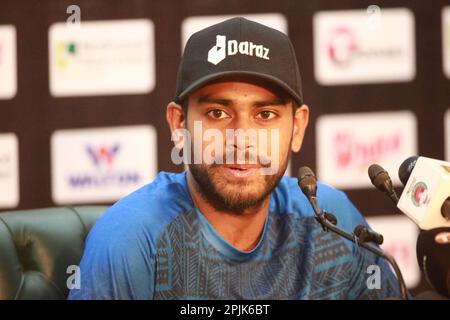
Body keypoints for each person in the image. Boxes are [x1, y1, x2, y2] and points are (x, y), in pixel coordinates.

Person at [69, 17, 402, 300]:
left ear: (297, 127)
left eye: (266, 114)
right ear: (178, 124)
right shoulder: (131, 240)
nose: (242, 138)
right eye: (217, 112)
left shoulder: (330, 220)